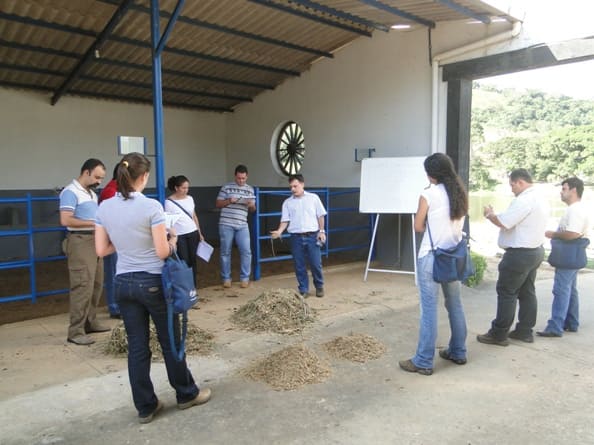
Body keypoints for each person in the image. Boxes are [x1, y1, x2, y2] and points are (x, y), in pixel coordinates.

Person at [95, 153, 211, 424]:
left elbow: (101, 249)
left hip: (123, 283)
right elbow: (161, 251)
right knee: (170, 340)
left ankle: (145, 406)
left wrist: (125, 244)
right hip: (153, 282)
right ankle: (186, 394)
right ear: (144, 177)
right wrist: (171, 239)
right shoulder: (151, 208)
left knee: (137, 347)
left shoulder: (104, 208)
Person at [398, 153, 468, 376]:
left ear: (430, 174)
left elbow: (418, 226)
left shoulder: (428, 194)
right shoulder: (460, 194)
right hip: (454, 256)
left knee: (428, 309)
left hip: (432, 256)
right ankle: (458, 350)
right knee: (454, 304)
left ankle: (423, 360)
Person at [477, 168, 548, 346]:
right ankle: (524, 330)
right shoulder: (539, 198)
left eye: (512, 185)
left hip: (519, 254)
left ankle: (498, 333)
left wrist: (490, 215)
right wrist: (497, 216)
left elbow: (504, 222)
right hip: (535, 251)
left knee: (507, 292)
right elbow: (512, 220)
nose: (511, 189)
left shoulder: (524, 200)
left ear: (520, 182)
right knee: (527, 292)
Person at [59, 158, 110, 345]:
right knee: (82, 285)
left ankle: (90, 321)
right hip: (80, 241)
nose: (99, 181)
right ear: (86, 172)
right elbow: (66, 220)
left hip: (94, 240)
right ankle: (75, 331)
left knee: (96, 283)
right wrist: (95, 224)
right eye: (97, 177)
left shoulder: (91, 194)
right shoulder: (70, 192)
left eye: (101, 178)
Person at [537, 177, 590, 337]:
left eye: (564, 189)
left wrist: (553, 234)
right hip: (575, 254)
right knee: (570, 290)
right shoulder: (579, 209)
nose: (561, 192)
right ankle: (572, 322)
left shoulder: (574, 210)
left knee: (561, 289)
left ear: (574, 190)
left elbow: (572, 233)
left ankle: (555, 326)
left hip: (568, 255)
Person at [270, 174, 327, 298]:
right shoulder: (287, 203)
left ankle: (319, 286)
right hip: (295, 237)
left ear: (302, 184)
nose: (292, 189)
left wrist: (321, 231)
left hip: (312, 235)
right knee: (299, 264)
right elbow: (285, 220)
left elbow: (320, 215)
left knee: (315, 263)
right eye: (291, 187)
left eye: (295, 186)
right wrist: (279, 231)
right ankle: (303, 289)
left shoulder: (313, 198)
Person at [216, 164, 256, 288]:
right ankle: (226, 278)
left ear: (247, 177)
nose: (241, 181)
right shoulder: (226, 187)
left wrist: (251, 205)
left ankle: (244, 278)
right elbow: (218, 203)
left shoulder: (250, 189)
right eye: (239, 178)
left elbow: (253, 210)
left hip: (242, 224)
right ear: (235, 176)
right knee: (225, 252)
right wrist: (229, 201)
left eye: (243, 178)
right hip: (226, 224)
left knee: (246, 252)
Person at [164, 175, 204, 286]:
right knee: (184, 260)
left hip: (193, 232)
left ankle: (193, 286)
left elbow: (194, 216)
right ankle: (185, 286)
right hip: (179, 235)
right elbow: (168, 221)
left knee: (193, 260)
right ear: (176, 188)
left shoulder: (190, 199)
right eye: (183, 188)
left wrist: (199, 232)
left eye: (187, 188)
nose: (186, 190)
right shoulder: (168, 202)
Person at [99, 164, 120, 319]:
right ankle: (114, 306)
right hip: (113, 239)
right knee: (113, 272)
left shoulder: (117, 190)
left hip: (120, 238)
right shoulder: (110, 192)